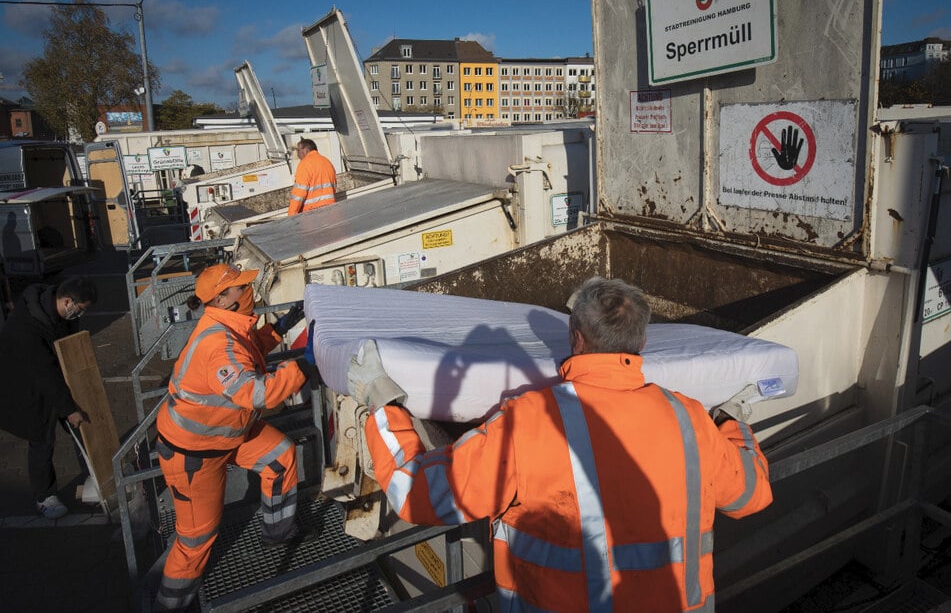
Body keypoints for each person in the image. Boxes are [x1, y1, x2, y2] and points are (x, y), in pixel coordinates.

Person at [363, 276, 773, 612]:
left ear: (576, 339)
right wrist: (733, 421)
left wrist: (381, 402)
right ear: (643, 343)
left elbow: (416, 491)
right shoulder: (691, 418)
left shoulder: (529, 421)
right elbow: (751, 495)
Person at [153, 263, 312, 611]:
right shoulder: (218, 344)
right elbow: (257, 394)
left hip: (225, 435)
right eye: (241, 287)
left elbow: (249, 348)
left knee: (280, 456)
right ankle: (169, 606)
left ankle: (277, 533)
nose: (249, 290)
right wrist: (304, 367)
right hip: (194, 454)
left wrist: (282, 325)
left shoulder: (226, 325)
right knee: (195, 541)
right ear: (224, 299)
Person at [0, 276, 98, 519]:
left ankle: (98, 475)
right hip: (26, 388)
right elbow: (43, 373)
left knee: (81, 427)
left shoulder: (58, 314)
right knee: (42, 440)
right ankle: (44, 497)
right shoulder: (27, 327)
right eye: (80, 310)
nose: (80, 315)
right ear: (67, 302)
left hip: (52, 380)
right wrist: (68, 409)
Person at [288, 138, 337, 216]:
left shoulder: (304, 164)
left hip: (312, 214)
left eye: (298, 151)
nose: (297, 154)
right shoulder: (327, 162)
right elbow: (333, 187)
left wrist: (291, 215)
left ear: (305, 150)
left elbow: (299, 194)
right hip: (331, 210)